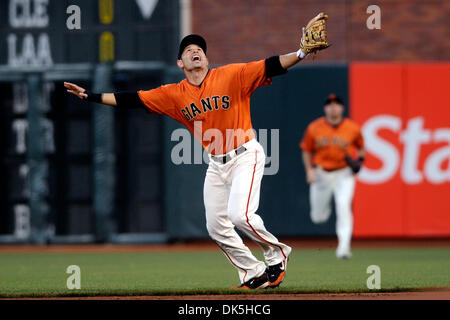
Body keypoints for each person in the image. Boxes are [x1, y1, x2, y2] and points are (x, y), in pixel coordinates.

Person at [65, 19, 328, 289]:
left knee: (240, 215)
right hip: (216, 165)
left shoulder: (231, 75)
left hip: (245, 155)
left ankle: (277, 253)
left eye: (199, 48)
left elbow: (271, 65)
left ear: (206, 57)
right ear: (181, 63)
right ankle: (253, 271)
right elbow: (133, 99)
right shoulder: (174, 94)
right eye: (189, 49)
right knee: (216, 228)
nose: (195, 51)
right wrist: (91, 96)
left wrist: (300, 53)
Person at [300, 94, 366, 259]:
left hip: (344, 173)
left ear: (342, 108)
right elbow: (306, 149)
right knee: (318, 217)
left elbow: (361, 148)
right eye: (330, 104)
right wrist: (309, 170)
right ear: (325, 108)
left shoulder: (352, 128)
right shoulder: (314, 127)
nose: (333, 107)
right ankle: (326, 205)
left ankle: (343, 248)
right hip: (322, 174)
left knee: (343, 206)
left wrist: (360, 161)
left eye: (336, 104)